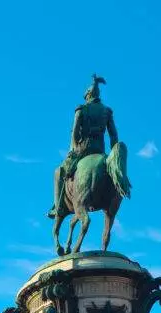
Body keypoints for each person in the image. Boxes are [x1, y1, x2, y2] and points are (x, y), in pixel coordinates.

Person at [48, 75, 119, 219]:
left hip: (82, 150)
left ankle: (58, 208)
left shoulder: (81, 109)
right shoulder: (107, 111)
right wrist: (113, 154)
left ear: (87, 96)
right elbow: (113, 135)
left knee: (59, 172)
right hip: (100, 150)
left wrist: (73, 149)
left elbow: (74, 132)